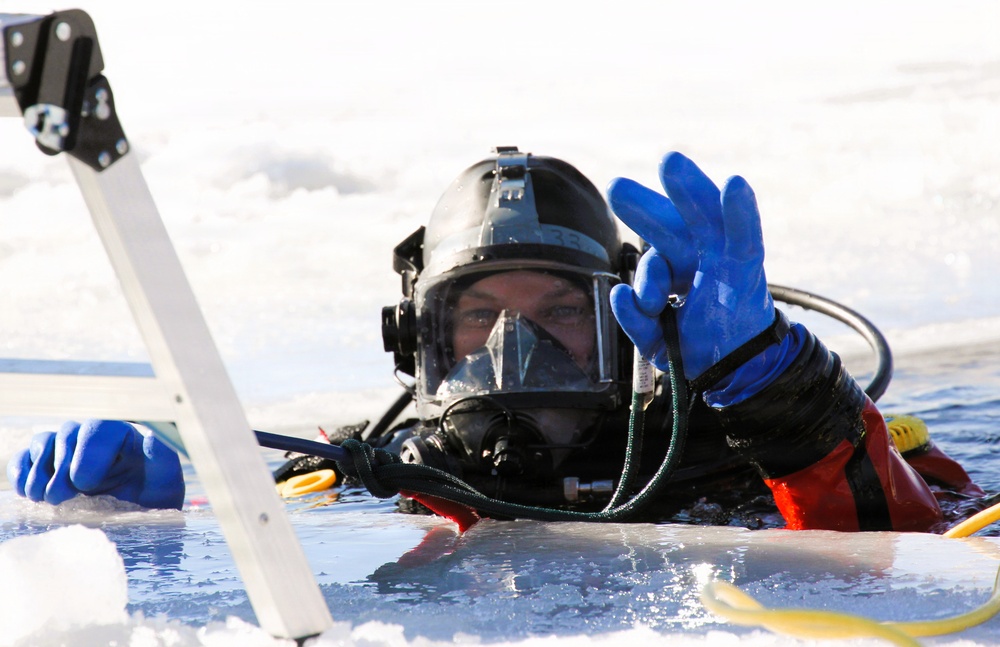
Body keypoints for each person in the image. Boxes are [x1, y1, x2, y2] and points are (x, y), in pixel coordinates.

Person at [6, 148, 985, 533]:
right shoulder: (380, 475)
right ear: (416, 339)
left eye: (558, 314)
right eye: (477, 318)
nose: (519, 348)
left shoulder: (727, 454)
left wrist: (781, 395)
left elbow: (934, 554)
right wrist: (158, 503)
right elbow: (262, 543)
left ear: (631, 324)